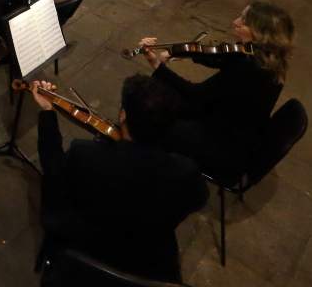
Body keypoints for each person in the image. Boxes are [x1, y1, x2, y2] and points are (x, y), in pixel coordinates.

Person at [32, 75, 207, 286]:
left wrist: (48, 113)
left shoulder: (85, 154)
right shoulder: (186, 172)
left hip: (83, 252)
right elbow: (197, 201)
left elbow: (53, 171)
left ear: (123, 115)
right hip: (149, 262)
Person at [138, 2, 293, 182]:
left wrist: (157, 66)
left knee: (152, 120)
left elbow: (196, 95)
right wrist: (186, 52)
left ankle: (152, 174)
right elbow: (221, 58)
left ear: (259, 34)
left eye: (243, 22)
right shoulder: (268, 57)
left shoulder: (249, 69)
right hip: (238, 128)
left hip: (223, 146)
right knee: (166, 102)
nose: (235, 22)